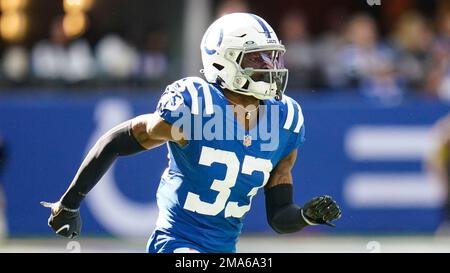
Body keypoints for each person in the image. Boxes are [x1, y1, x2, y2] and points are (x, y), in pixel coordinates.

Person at [41, 13, 341, 253]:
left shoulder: (285, 119)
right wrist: (69, 202)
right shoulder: (196, 106)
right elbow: (116, 140)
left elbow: (278, 216)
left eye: (272, 58)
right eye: (256, 59)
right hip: (174, 243)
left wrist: (304, 216)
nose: (270, 68)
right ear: (224, 61)